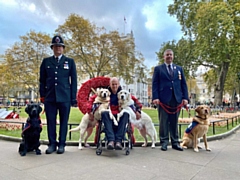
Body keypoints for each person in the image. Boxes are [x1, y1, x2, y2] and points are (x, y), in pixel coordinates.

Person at [39, 35, 77, 154]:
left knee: (64, 121)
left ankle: (61, 144)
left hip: (64, 97)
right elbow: (42, 80)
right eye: (55, 46)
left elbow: (74, 81)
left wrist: (73, 97)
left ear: (63, 48)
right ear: (52, 48)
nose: (58, 48)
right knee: (51, 121)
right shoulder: (46, 61)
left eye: (60, 46)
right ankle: (52, 144)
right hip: (50, 97)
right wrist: (42, 95)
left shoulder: (69, 62)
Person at [87, 77, 142, 150]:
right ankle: (111, 141)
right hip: (108, 114)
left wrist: (137, 111)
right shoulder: (104, 92)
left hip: (120, 114)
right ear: (110, 84)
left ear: (118, 84)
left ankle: (118, 141)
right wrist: (90, 111)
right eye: (113, 84)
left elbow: (133, 102)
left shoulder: (124, 92)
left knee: (126, 114)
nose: (114, 86)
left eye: (116, 84)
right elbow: (93, 101)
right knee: (104, 113)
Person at [152, 49, 189, 151]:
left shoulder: (179, 69)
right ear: (164, 57)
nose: (169, 56)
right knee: (163, 122)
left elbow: (183, 84)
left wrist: (185, 98)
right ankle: (164, 142)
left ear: (173, 56)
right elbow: (155, 84)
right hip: (163, 99)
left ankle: (175, 142)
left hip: (176, 99)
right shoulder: (158, 69)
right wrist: (155, 97)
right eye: (167, 55)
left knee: (174, 121)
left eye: (171, 55)